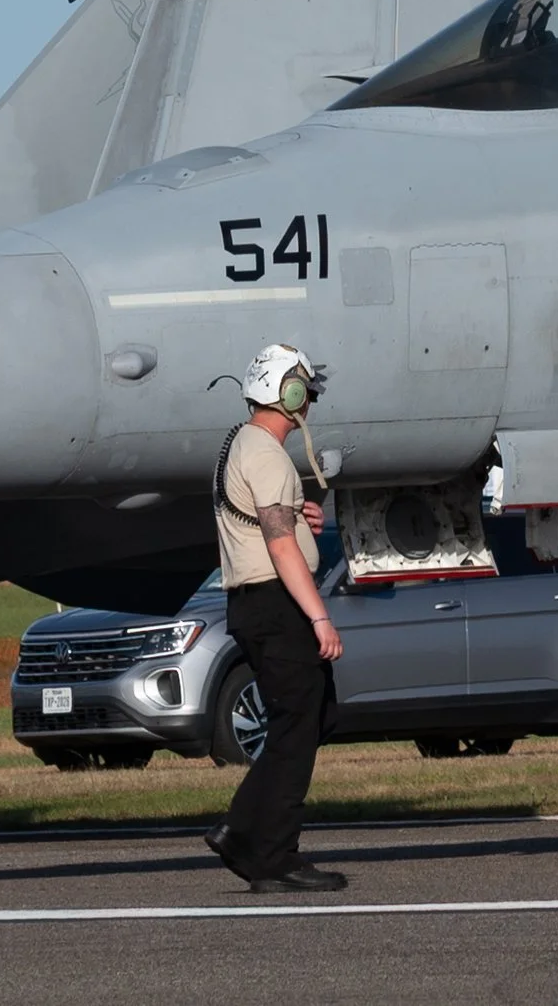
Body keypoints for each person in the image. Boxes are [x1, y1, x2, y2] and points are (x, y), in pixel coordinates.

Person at [203, 343, 347, 893]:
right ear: (288, 394)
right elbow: (280, 546)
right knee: (298, 723)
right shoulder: (265, 454)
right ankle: (268, 850)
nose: (309, 401)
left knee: (313, 717)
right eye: (305, 390)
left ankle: (248, 834)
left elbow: (267, 520)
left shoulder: (243, 444)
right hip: (275, 605)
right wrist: (319, 618)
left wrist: (301, 516)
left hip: (257, 605)